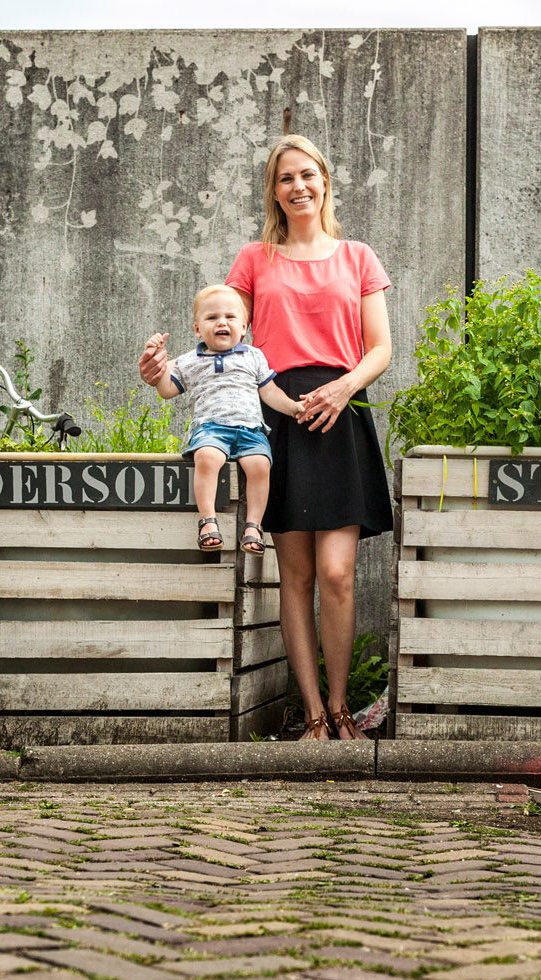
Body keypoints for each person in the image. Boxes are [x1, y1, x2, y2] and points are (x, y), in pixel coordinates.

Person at [140, 134, 393, 742]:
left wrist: (343, 389)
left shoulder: (358, 256)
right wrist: (162, 374)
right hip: (273, 414)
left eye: (308, 175)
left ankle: (340, 705)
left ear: (325, 181)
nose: (299, 186)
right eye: (286, 179)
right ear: (273, 191)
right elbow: (221, 338)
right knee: (295, 575)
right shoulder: (255, 259)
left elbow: (381, 348)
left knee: (337, 573)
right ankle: (313, 716)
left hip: (339, 413)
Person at [144, 284, 302, 555]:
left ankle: (253, 526)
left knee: (260, 465)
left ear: (243, 328)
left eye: (230, 317)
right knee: (207, 457)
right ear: (197, 329)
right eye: (212, 317)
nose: (222, 322)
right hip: (211, 428)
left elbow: (270, 392)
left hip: (250, 429)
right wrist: (156, 363)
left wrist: (293, 408)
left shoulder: (254, 356)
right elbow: (167, 391)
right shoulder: (189, 361)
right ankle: (208, 521)